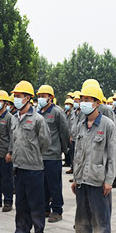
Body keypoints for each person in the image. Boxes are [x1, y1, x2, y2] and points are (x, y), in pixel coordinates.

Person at [69, 83, 116, 233]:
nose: (83, 103)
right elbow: (77, 154)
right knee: (81, 221)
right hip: (82, 180)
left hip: (99, 181)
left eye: (87, 100)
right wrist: (75, 177)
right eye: (82, 99)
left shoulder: (107, 125)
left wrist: (109, 181)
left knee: (100, 222)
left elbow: (113, 155)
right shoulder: (80, 125)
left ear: (97, 103)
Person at [7, 81, 51, 233]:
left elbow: (45, 143)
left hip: (34, 168)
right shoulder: (14, 118)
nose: (15, 99)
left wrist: (33, 155)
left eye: (18, 96)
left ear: (27, 98)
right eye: (15, 96)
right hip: (19, 167)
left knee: (36, 205)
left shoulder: (38, 119)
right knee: (21, 204)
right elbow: (13, 140)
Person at [37, 85, 70, 223]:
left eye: (43, 96)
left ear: (50, 97)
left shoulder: (57, 112)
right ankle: (45, 208)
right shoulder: (37, 112)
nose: (40, 99)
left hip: (53, 155)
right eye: (39, 96)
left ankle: (57, 210)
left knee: (54, 185)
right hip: (39, 155)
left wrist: (63, 150)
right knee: (42, 184)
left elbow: (64, 132)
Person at [0, 90, 15, 212]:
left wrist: (10, 152)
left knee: (7, 179)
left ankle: (8, 201)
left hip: (4, 154)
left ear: (5, 103)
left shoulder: (9, 118)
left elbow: (12, 136)